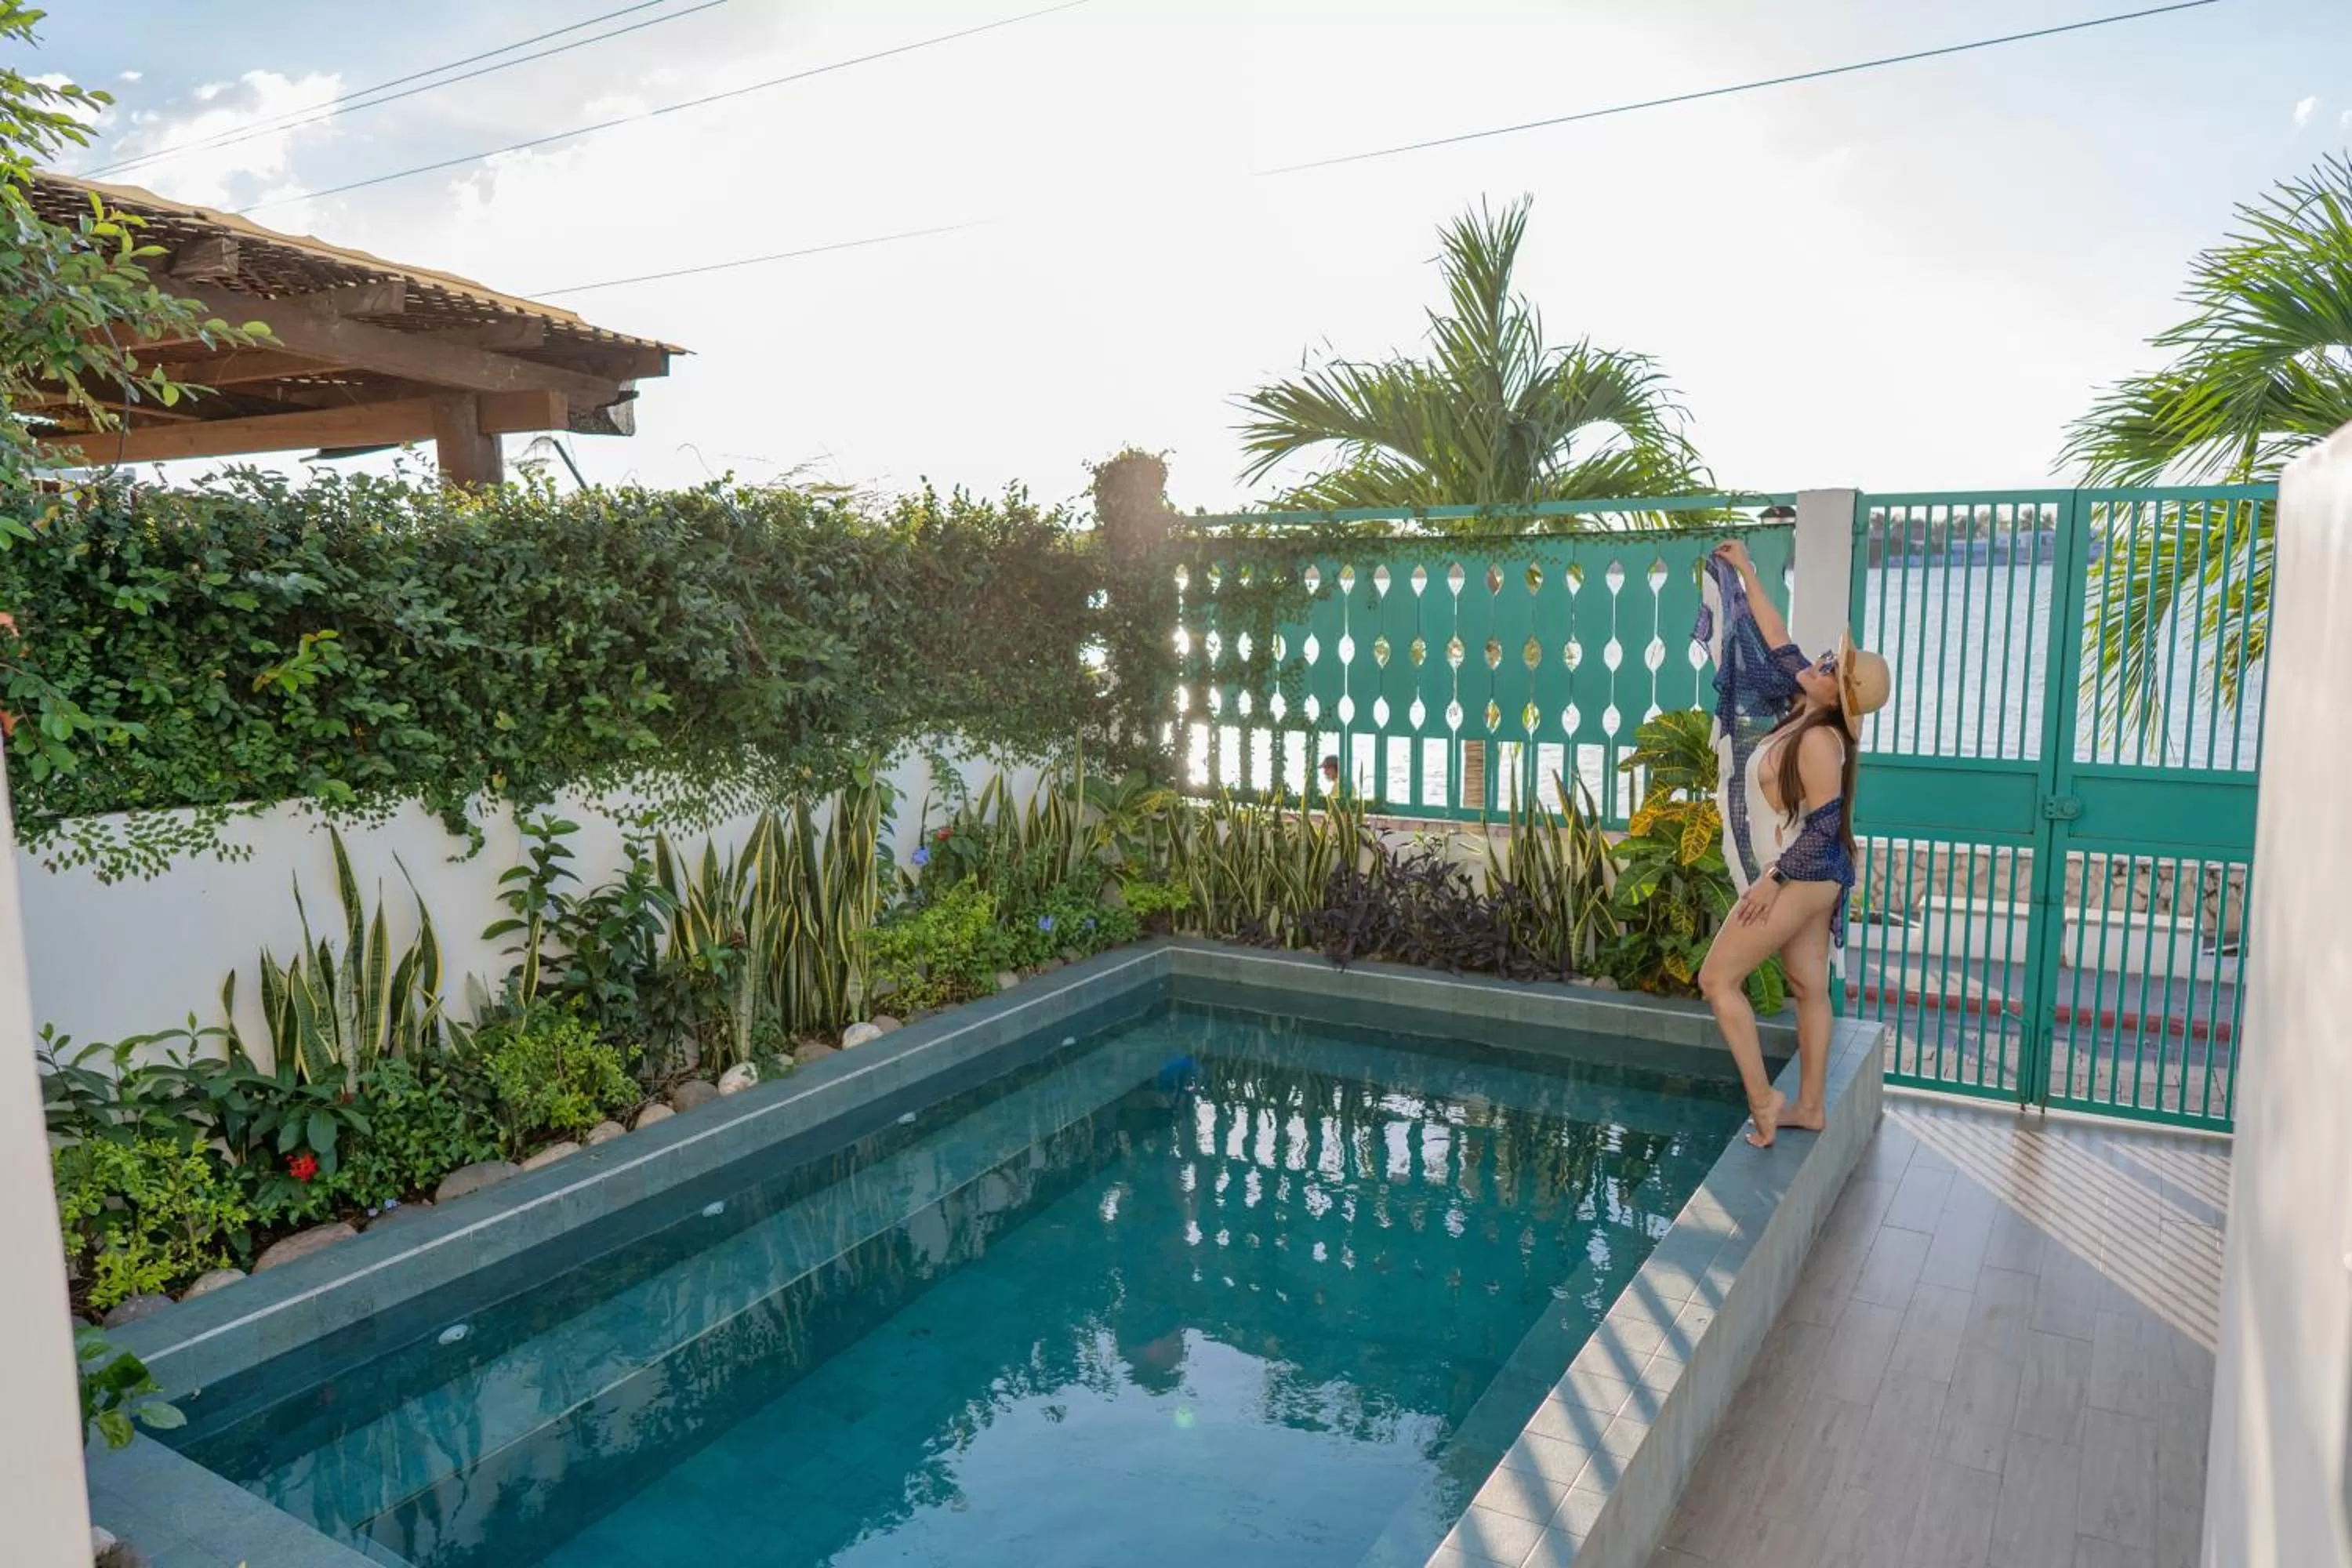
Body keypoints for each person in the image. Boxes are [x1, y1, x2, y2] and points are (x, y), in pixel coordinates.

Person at [1695, 538, 1889, 1148]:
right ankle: (1810, 1107)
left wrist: (1771, 880)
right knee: (1808, 986)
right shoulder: (1800, 701)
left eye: (1835, 671)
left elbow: (1826, 828)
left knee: (1717, 981)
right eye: (1832, 659)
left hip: (1804, 875)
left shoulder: (1818, 742)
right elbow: (1776, 637)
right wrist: (1748, 571)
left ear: (1842, 699)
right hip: (1812, 877)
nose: (1825, 664)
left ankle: (1765, 1102)